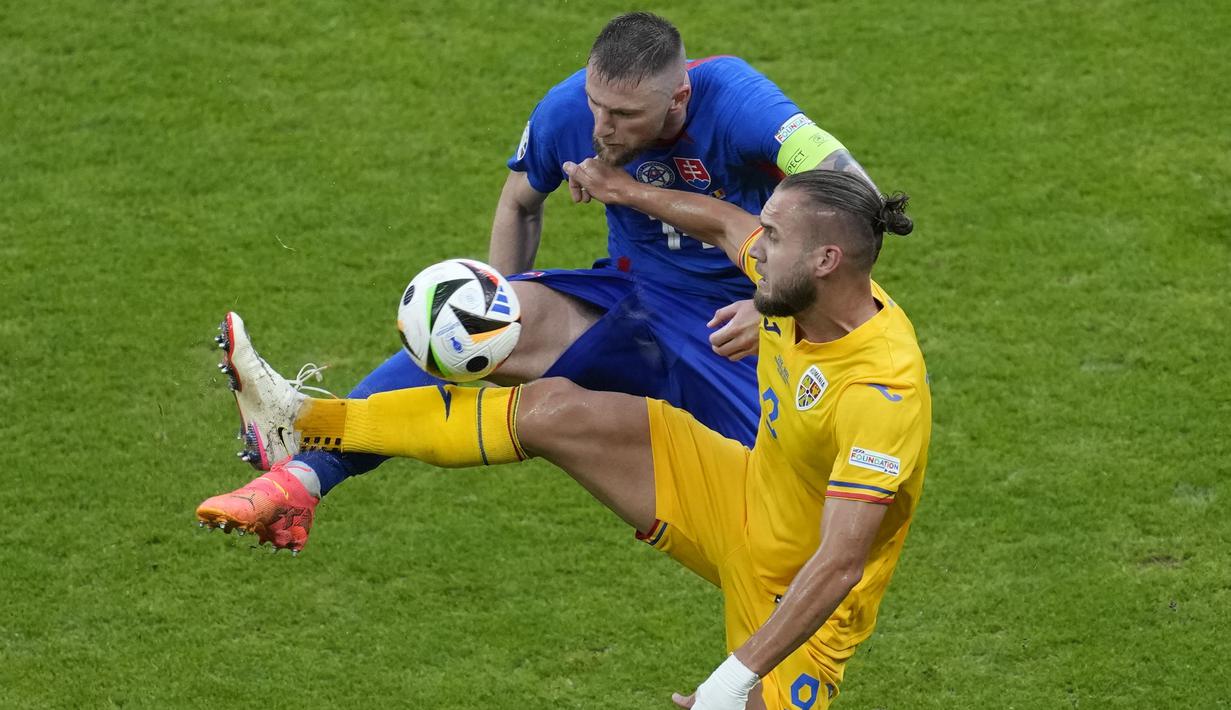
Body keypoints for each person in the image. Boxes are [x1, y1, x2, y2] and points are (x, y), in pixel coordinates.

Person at [198, 169, 929, 709]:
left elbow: (836, 565)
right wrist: (620, 187)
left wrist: (729, 680)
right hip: (734, 488)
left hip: (797, 597)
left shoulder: (880, 392)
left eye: (774, 236)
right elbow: (719, 221)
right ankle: (302, 420)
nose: (756, 246)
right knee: (551, 410)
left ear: (827, 261)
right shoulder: (793, 287)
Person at [215, 12, 874, 545]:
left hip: (744, 329)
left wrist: (776, 311)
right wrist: (488, 323)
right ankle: (303, 471)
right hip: (637, 307)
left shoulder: (737, 103)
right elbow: (517, 202)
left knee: (796, 525)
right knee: (468, 319)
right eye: (597, 106)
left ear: (678, 96)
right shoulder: (571, 111)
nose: (601, 128)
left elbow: (856, 197)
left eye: (623, 117)